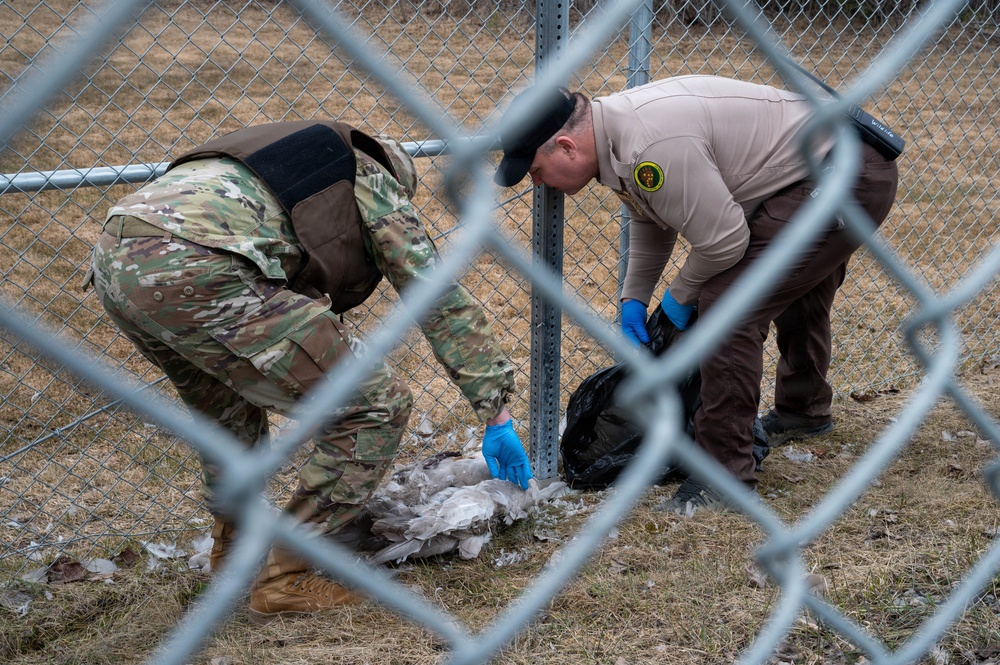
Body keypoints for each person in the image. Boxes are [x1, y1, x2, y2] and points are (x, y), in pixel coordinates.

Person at [89, 119, 532, 623]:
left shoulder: (291, 152)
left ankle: (231, 553)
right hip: (200, 263)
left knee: (225, 412)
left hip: (117, 257)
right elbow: (436, 295)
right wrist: (496, 413)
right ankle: (286, 578)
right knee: (372, 405)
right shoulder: (369, 176)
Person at [493, 76, 898, 513]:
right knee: (788, 282)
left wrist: (679, 296)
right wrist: (635, 297)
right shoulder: (614, 136)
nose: (537, 184)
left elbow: (724, 241)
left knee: (727, 307)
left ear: (568, 147)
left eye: (535, 170)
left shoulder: (648, 145)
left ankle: (724, 473)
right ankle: (803, 410)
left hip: (849, 171)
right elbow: (652, 216)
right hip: (825, 163)